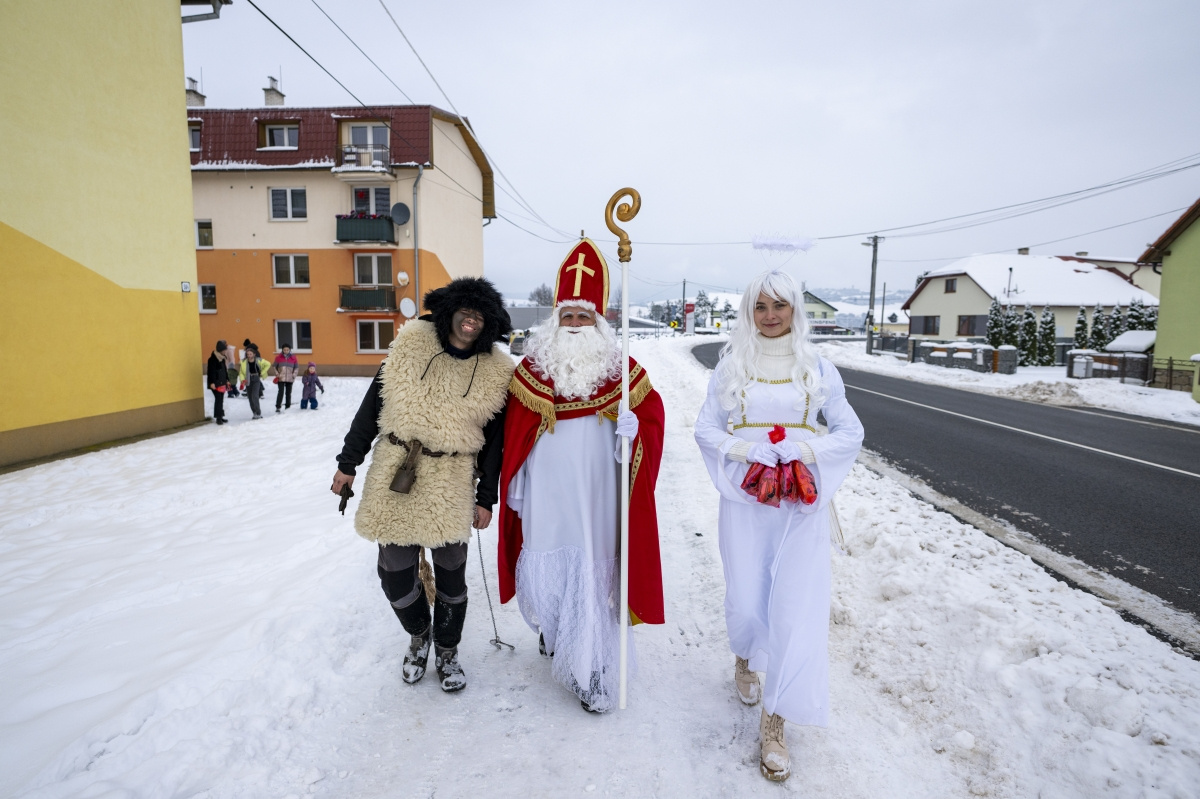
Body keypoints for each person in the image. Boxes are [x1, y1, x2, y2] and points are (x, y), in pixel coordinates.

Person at [694, 269, 863, 782]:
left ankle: (775, 719)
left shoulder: (819, 368)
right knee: (748, 597)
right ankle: (747, 656)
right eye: (760, 306)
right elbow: (705, 428)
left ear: (795, 309)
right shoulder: (731, 367)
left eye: (780, 305)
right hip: (748, 499)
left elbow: (850, 431)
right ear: (749, 311)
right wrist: (743, 449)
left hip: (800, 504)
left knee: (793, 607)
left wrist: (805, 449)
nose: (770, 316)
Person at [497, 239, 665, 713]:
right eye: (567, 315)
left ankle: (588, 666)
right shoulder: (532, 370)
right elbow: (516, 436)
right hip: (547, 492)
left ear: (599, 321)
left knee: (591, 574)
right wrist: (516, 485)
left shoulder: (621, 371)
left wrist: (633, 430)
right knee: (550, 568)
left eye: (583, 316)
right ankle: (556, 632)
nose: (574, 324)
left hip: (597, 493)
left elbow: (652, 420)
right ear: (555, 320)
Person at [331, 278, 514, 692]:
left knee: (451, 576)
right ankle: (419, 635)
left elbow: (495, 445)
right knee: (395, 574)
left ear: (488, 323)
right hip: (396, 471)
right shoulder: (410, 346)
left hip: (452, 480)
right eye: (465, 311)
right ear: (450, 312)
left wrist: (486, 498)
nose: (471, 320)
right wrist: (347, 463)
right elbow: (370, 409)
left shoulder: (496, 372)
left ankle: (447, 650)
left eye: (479, 315)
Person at [238, 345, 270, 420]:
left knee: (255, 396)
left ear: (254, 354)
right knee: (250, 397)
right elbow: (241, 372)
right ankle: (254, 412)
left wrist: (262, 372)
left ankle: (258, 413)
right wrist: (242, 380)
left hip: (256, 378)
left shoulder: (259, 360)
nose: (249, 356)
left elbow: (268, 364)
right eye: (248, 354)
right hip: (248, 379)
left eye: (250, 354)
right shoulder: (243, 362)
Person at [206, 339, 229, 425]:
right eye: (224, 350)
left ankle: (221, 416)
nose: (225, 351)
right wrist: (211, 382)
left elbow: (224, 370)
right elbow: (210, 372)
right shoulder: (212, 359)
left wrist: (227, 380)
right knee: (218, 399)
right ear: (220, 350)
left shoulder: (222, 358)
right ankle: (218, 418)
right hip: (215, 384)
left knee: (221, 399)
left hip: (222, 382)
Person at [272, 344, 299, 412]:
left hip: (290, 378)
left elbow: (296, 367)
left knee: (288, 393)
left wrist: (294, 375)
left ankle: (288, 406)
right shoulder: (278, 357)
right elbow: (274, 366)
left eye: (287, 350)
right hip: (281, 378)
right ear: (282, 350)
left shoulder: (294, 358)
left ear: (290, 350)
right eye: (284, 350)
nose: (286, 351)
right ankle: (278, 406)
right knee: (280, 392)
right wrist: (277, 374)